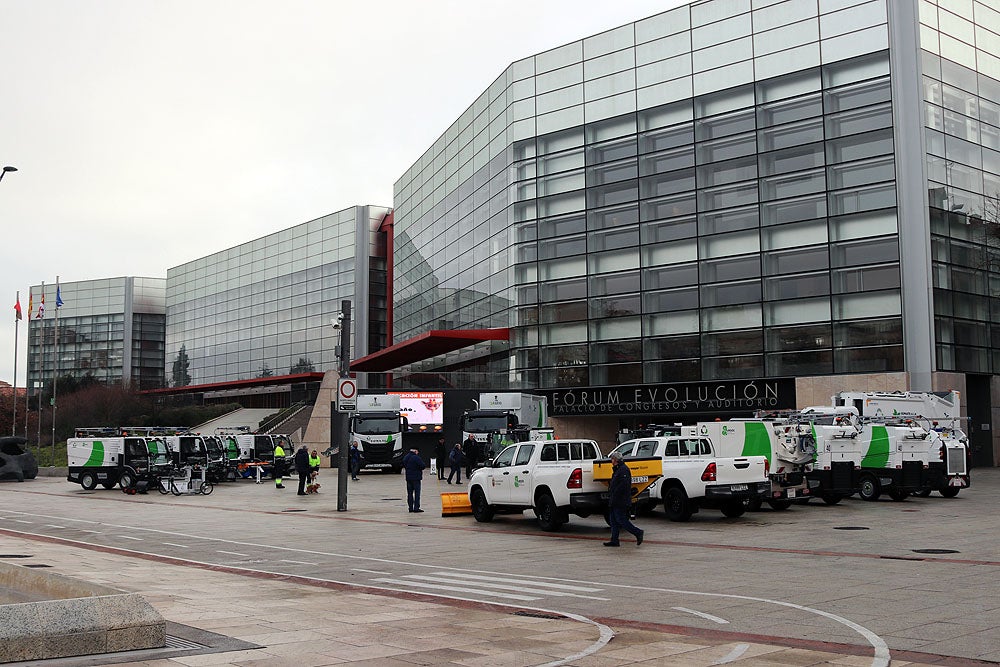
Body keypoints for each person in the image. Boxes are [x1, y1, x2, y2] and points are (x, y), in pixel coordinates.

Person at [604, 451, 644, 547]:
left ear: (615, 460)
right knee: (613, 520)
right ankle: (614, 540)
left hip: (620, 501)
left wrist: (615, 495)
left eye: (612, 459)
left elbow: (623, 486)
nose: (611, 461)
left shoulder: (623, 470)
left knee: (621, 520)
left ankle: (638, 532)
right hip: (614, 500)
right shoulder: (618, 469)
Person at [401, 447, 426, 513]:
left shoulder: (406, 457)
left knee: (409, 493)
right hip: (416, 478)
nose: (418, 453)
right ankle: (416, 508)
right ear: (415, 451)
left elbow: (403, 464)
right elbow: (423, 466)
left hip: (408, 478)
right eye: (417, 452)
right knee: (417, 493)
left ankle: (410, 508)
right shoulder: (416, 458)